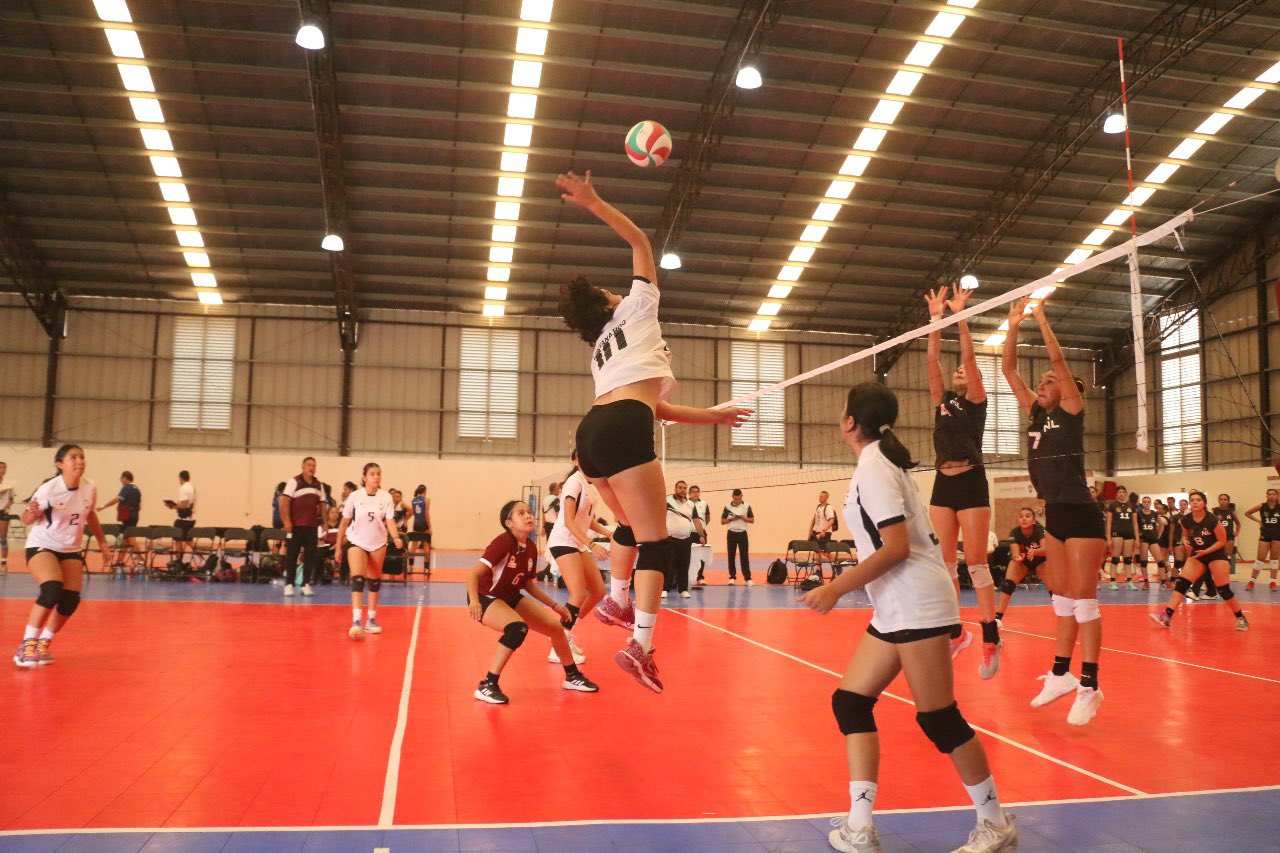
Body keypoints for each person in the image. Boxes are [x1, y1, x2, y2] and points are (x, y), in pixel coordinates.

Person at [801, 382, 1016, 853]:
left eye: (842, 409)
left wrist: (835, 588)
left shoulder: (876, 467)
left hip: (915, 601)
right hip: (898, 603)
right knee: (850, 702)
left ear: (850, 422)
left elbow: (896, 548)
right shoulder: (875, 461)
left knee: (939, 718)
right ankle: (860, 826)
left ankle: (995, 823)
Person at [556, 169, 749, 693]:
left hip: (591, 432)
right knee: (657, 542)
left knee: (627, 526)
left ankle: (619, 599)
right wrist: (594, 201)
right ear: (609, 303)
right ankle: (640, 643)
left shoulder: (601, 352)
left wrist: (714, 415)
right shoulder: (638, 308)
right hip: (621, 425)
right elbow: (641, 240)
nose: (619, 289)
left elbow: (654, 409)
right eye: (609, 290)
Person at [1002, 298, 1107, 726]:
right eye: (1042, 382)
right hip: (1055, 516)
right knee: (1061, 599)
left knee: (1084, 600)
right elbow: (1009, 371)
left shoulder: (1072, 412)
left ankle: (1090, 684)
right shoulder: (1035, 412)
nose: (1043, 384)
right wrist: (1012, 325)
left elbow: (1059, 361)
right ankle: (1061, 675)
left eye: (1050, 381)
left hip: (1081, 515)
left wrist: (1042, 319)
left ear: (1068, 391)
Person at [924, 284, 1000, 675]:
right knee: (944, 565)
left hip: (971, 483)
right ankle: (956, 634)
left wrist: (961, 317)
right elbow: (933, 359)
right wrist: (937, 318)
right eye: (955, 372)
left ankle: (990, 637)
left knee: (976, 563)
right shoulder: (942, 401)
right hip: (942, 483)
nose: (958, 372)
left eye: (964, 372)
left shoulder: (976, 403)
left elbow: (968, 358)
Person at [467, 500, 599, 703]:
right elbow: (473, 574)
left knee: (555, 628)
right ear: (508, 522)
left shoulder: (529, 547)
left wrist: (555, 606)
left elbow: (528, 584)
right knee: (516, 628)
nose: (528, 516)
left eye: (529, 512)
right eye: (520, 513)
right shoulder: (503, 542)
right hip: (486, 597)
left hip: (510, 596)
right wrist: (475, 602)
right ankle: (487, 684)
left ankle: (572, 676)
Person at [13, 444, 110, 669]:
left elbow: (91, 515)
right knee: (52, 589)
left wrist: (103, 543)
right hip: (42, 545)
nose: (79, 461)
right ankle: (26, 645)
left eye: (82, 457)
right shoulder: (49, 489)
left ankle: (44, 643)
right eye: (73, 457)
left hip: (70, 548)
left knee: (70, 600)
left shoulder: (89, 488)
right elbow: (26, 519)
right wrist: (33, 511)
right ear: (60, 464)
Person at [545, 449, 612, 665]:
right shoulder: (573, 483)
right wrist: (592, 544)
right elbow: (569, 522)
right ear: (574, 460)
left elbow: (589, 520)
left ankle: (567, 629)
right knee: (578, 593)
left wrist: (609, 533)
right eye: (583, 456)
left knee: (598, 591)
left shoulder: (590, 485)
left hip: (577, 543)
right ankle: (559, 644)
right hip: (564, 540)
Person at [1151, 490, 1248, 632]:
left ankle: (1240, 618)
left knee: (1223, 589)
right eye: (1192, 500)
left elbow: (1222, 541)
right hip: (1198, 555)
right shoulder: (1186, 519)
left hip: (1216, 555)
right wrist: (1185, 541)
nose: (1195, 502)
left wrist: (1206, 551)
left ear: (1204, 503)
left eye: (1198, 500)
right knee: (1182, 583)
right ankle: (1167, 616)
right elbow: (1185, 535)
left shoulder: (1212, 519)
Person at [337, 462, 403, 639]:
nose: (376, 477)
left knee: (374, 581)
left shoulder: (386, 498)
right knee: (358, 579)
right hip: (356, 541)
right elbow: (344, 522)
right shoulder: (355, 496)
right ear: (365, 477)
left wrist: (396, 537)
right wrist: (337, 546)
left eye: (378, 474)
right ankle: (357, 621)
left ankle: (371, 620)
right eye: (372, 474)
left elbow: (390, 521)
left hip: (378, 542)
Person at [279, 457, 327, 597]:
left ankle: (305, 584)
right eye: (308, 465)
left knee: (310, 556)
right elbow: (284, 502)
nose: (311, 468)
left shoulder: (319, 484)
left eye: (313, 465)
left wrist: (324, 523)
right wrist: (287, 522)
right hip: (295, 527)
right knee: (292, 556)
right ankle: (289, 584)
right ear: (303, 467)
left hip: (312, 526)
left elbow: (322, 505)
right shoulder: (294, 481)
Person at [998, 508, 1045, 624]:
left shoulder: (1039, 529)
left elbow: (1046, 549)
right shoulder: (1014, 532)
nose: (1024, 518)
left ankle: (1064, 616)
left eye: (1028, 516)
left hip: (1041, 559)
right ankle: (997, 619)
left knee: (1055, 588)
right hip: (1023, 561)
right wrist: (1017, 558)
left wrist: (1035, 552)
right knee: (1008, 584)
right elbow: (1015, 552)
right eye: (1021, 516)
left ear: (1034, 520)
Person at [96, 471, 142, 569]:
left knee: (131, 539)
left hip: (128, 517)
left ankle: (140, 561)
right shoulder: (137, 489)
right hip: (134, 516)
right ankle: (120, 561)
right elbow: (139, 506)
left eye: (121, 478)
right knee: (125, 539)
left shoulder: (127, 487)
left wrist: (103, 506)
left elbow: (117, 499)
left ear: (125, 478)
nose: (120, 480)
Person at [664, 480, 697, 599]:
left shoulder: (691, 504)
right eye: (680, 488)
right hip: (670, 538)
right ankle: (665, 589)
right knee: (669, 565)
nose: (682, 490)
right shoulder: (667, 501)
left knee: (684, 565)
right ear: (675, 489)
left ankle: (682, 589)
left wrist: (702, 535)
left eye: (684, 488)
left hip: (686, 539)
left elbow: (696, 520)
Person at [1244, 489, 1280, 590]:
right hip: (1265, 535)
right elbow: (1247, 513)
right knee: (1260, 559)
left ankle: (1273, 582)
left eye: (1274, 494)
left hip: (1277, 536)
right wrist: (1258, 521)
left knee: (1274, 560)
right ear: (1267, 496)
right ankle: (1252, 581)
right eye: (1269, 494)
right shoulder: (1262, 506)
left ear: (1277, 496)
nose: (1272, 496)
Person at [722, 488, 754, 585]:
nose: (737, 501)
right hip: (731, 533)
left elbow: (752, 520)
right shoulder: (727, 507)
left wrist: (744, 518)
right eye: (735, 499)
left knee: (744, 556)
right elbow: (722, 521)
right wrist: (732, 519)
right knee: (731, 556)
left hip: (742, 534)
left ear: (741, 497)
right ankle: (732, 577)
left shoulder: (747, 506)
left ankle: (747, 578)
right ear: (732, 497)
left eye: (739, 499)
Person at [165, 470, 196, 562]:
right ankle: (202, 558)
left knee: (177, 540)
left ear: (180, 478)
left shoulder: (184, 488)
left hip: (183, 519)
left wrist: (172, 506)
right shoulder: (192, 487)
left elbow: (184, 505)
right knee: (188, 540)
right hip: (190, 519)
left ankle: (179, 561)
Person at [1134, 496, 1164, 589]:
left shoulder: (1154, 514)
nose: (1146, 503)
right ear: (1142, 503)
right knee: (1144, 562)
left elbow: (1161, 524)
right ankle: (1146, 582)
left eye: (1148, 502)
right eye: (1144, 502)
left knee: (1160, 561)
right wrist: (1137, 538)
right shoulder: (1138, 514)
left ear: (1150, 503)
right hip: (1143, 540)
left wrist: (1159, 535)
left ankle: (1163, 582)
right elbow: (1135, 526)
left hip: (1153, 539)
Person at [688, 485, 711, 587]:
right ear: (689, 493)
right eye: (693, 492)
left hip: (700, 534)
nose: (695, 493)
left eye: (697, 492)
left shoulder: (704, 504)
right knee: (687, 556)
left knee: (701, 556)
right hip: (688, 533)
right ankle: (688, 578)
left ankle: (700, 577)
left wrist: (701, 529)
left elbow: (707, 518)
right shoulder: (686, 503)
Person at [410, 484, 432, 571]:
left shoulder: (413, 500)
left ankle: (411, 567)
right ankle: (426, 568)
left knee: (413, 546)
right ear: (425, 491)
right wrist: (429, 527)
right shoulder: (427, 500)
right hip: (423, 524)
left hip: (416, 524)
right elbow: (426, 514)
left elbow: (412, 513)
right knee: (426, 546)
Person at [0, 462, 18, 571]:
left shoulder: (8, 484)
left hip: (3, 513)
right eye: (1, 467)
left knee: (3, 538)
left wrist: (8, 505)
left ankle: (3, 563)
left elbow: (11, 499)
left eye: (4, 468)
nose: (3, 469)